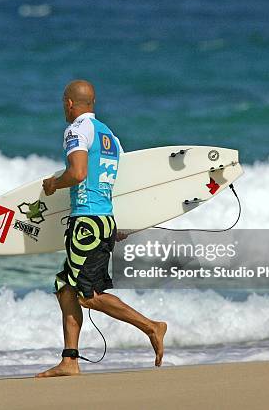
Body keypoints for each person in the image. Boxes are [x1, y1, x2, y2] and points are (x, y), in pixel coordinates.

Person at [37, 80, 167, 378]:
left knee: (87, 295)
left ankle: (151, 327)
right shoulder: (110, 136)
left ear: (69, 103)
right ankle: (70, 360)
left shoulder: (76, 130)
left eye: (63, 103)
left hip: (86, 222)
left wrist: (53, 184)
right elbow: (114, 183)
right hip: (103, 219)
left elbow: (78, 173)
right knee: (65, 287)